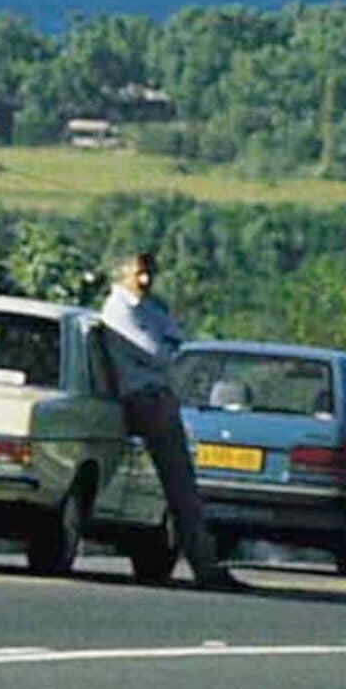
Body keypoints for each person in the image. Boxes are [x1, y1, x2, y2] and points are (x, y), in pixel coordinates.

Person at [98, 251, 239, 592]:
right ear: (121, 275)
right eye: (138, 274)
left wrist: (170, 349)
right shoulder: (118, 311)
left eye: (148, 273)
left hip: (159, 396)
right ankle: (203, 564)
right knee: (179, 484)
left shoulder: (149, 308)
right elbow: (158, 352)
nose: (145, 281)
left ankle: (204, 561)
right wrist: (168, 350)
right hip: (143, 400)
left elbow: (177, 342)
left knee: (184, 486)